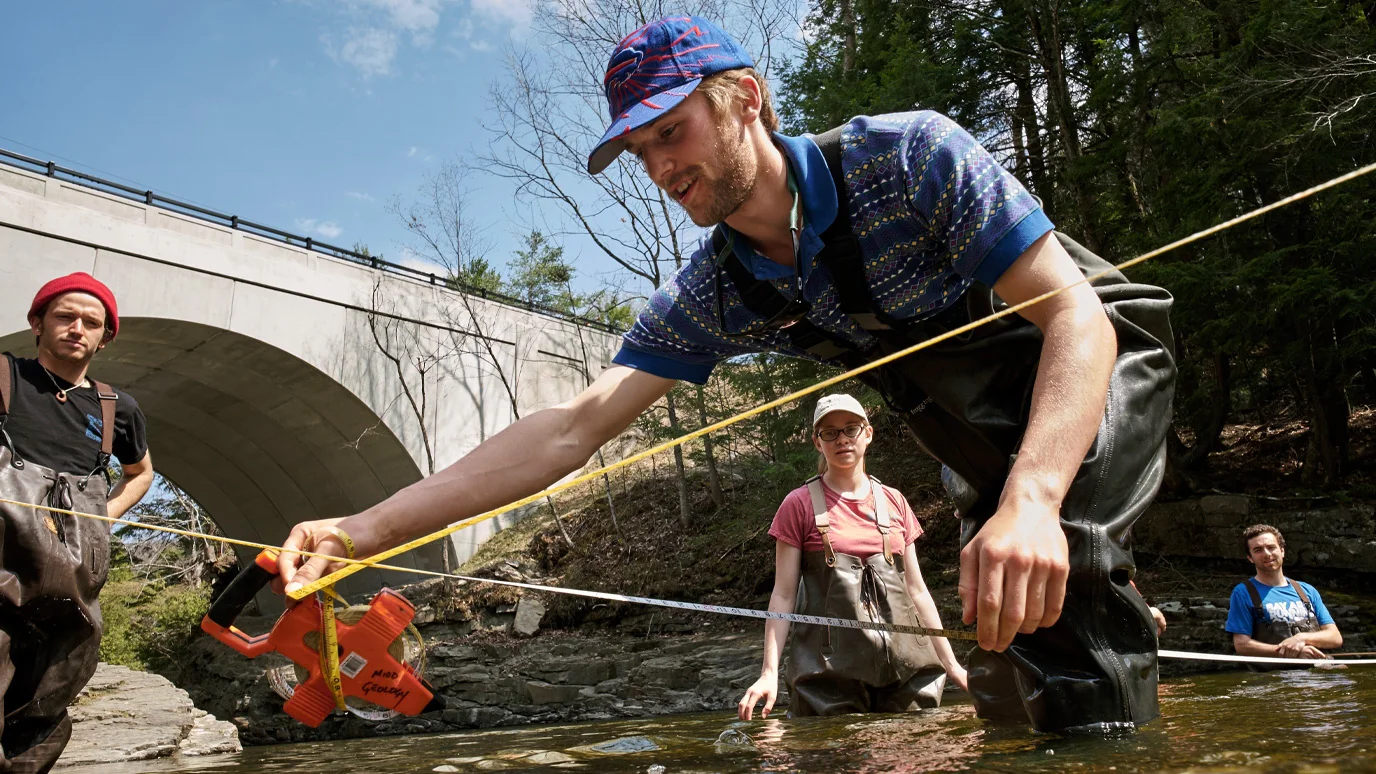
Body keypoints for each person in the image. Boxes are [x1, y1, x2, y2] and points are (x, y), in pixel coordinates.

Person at [278, 15, 1175, 734]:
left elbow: (1075, 316)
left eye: (673, 131)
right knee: (1004, 639)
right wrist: (363, 527)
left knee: (1074, 572)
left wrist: (1032, 502)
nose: (662, 166)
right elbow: (571, 427)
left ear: (746, 98)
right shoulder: (720, 287)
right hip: (976, 431)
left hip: (1094, 359)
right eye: (641, 151)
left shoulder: (909, 156)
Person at [1, 272, 153, 773]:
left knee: (54, 685)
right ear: (37, 323)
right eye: (64, 316)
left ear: (105, 337)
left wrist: (100, 519)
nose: (76, 328)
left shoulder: (117, 408)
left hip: (72, 576)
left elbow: (140, 474)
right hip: (2, 563)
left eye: (91, 322)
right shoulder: (4, 375)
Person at [737, 394, 966, 721]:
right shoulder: (797, 504)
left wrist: (952, 666)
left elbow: (917, 591)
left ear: (868, 433)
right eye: (829, 432)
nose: (841, 438)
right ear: (818, 442)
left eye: (850, 429)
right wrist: (768, 672)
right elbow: (784, 594)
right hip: (826, 682)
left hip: (909, 675)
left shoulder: (895, 501)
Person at [1225, 524, 1341, 664]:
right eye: (1258, 550)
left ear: (1282, 551)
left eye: (1271, 547)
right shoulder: (1242, 593)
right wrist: (1289, 652)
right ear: (1250, 558)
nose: (1267, 554)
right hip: (1275, 677)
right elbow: (1242, 645)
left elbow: (1335, 637)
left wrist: (1300, 639)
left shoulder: (1307, 590)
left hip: (1320, 672)